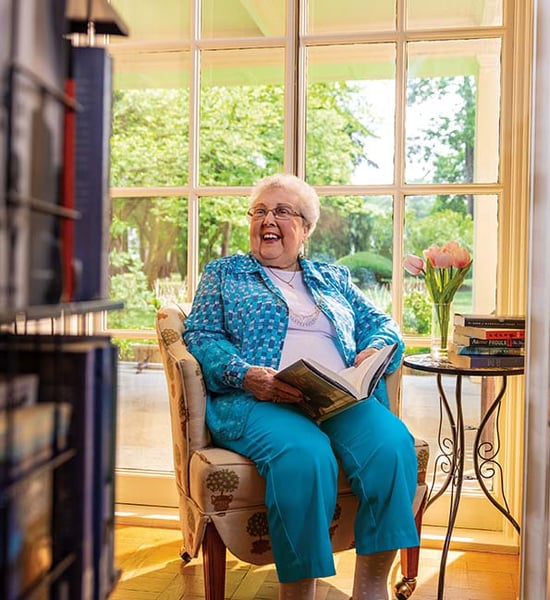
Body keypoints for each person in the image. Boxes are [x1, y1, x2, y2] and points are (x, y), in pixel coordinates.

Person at [184, 173, 419, 600]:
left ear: (306, 228)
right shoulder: (224, 274)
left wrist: (377, 347)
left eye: (282, 211)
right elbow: (201, 335)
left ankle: (370, 587)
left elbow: (382, 325)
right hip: (262, 397)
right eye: (259, 211)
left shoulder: (332, 276)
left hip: (337, 394)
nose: (267, 219)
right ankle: (298, 593)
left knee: (392, 445)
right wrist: (244, 374)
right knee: (304, 456)